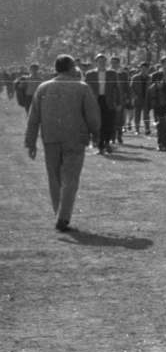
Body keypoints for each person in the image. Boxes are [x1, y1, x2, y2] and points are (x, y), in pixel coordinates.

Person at [23, 54, 100, 233]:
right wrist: (96, 133)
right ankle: (63, 217)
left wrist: (31, 142)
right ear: (72, 68)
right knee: (71, 179)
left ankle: (59, 214)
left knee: (54, 178)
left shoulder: (43, 88)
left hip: (50, 139)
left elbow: (33, 117)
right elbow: (92, 115)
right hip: (75, 139)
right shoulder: (82, 88)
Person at [85, 53, 118, 154]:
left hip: (108, 101)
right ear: (96, 63)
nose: (102, 63)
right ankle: (100, 146)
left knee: (108, 123)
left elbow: (117, 88)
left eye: (104, 62)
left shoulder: (112, 73)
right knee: (98, 123)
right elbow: (86, 89)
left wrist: (119, 102)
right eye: (100, 62)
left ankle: (107, 142)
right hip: (96, 100)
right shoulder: (90, 74)